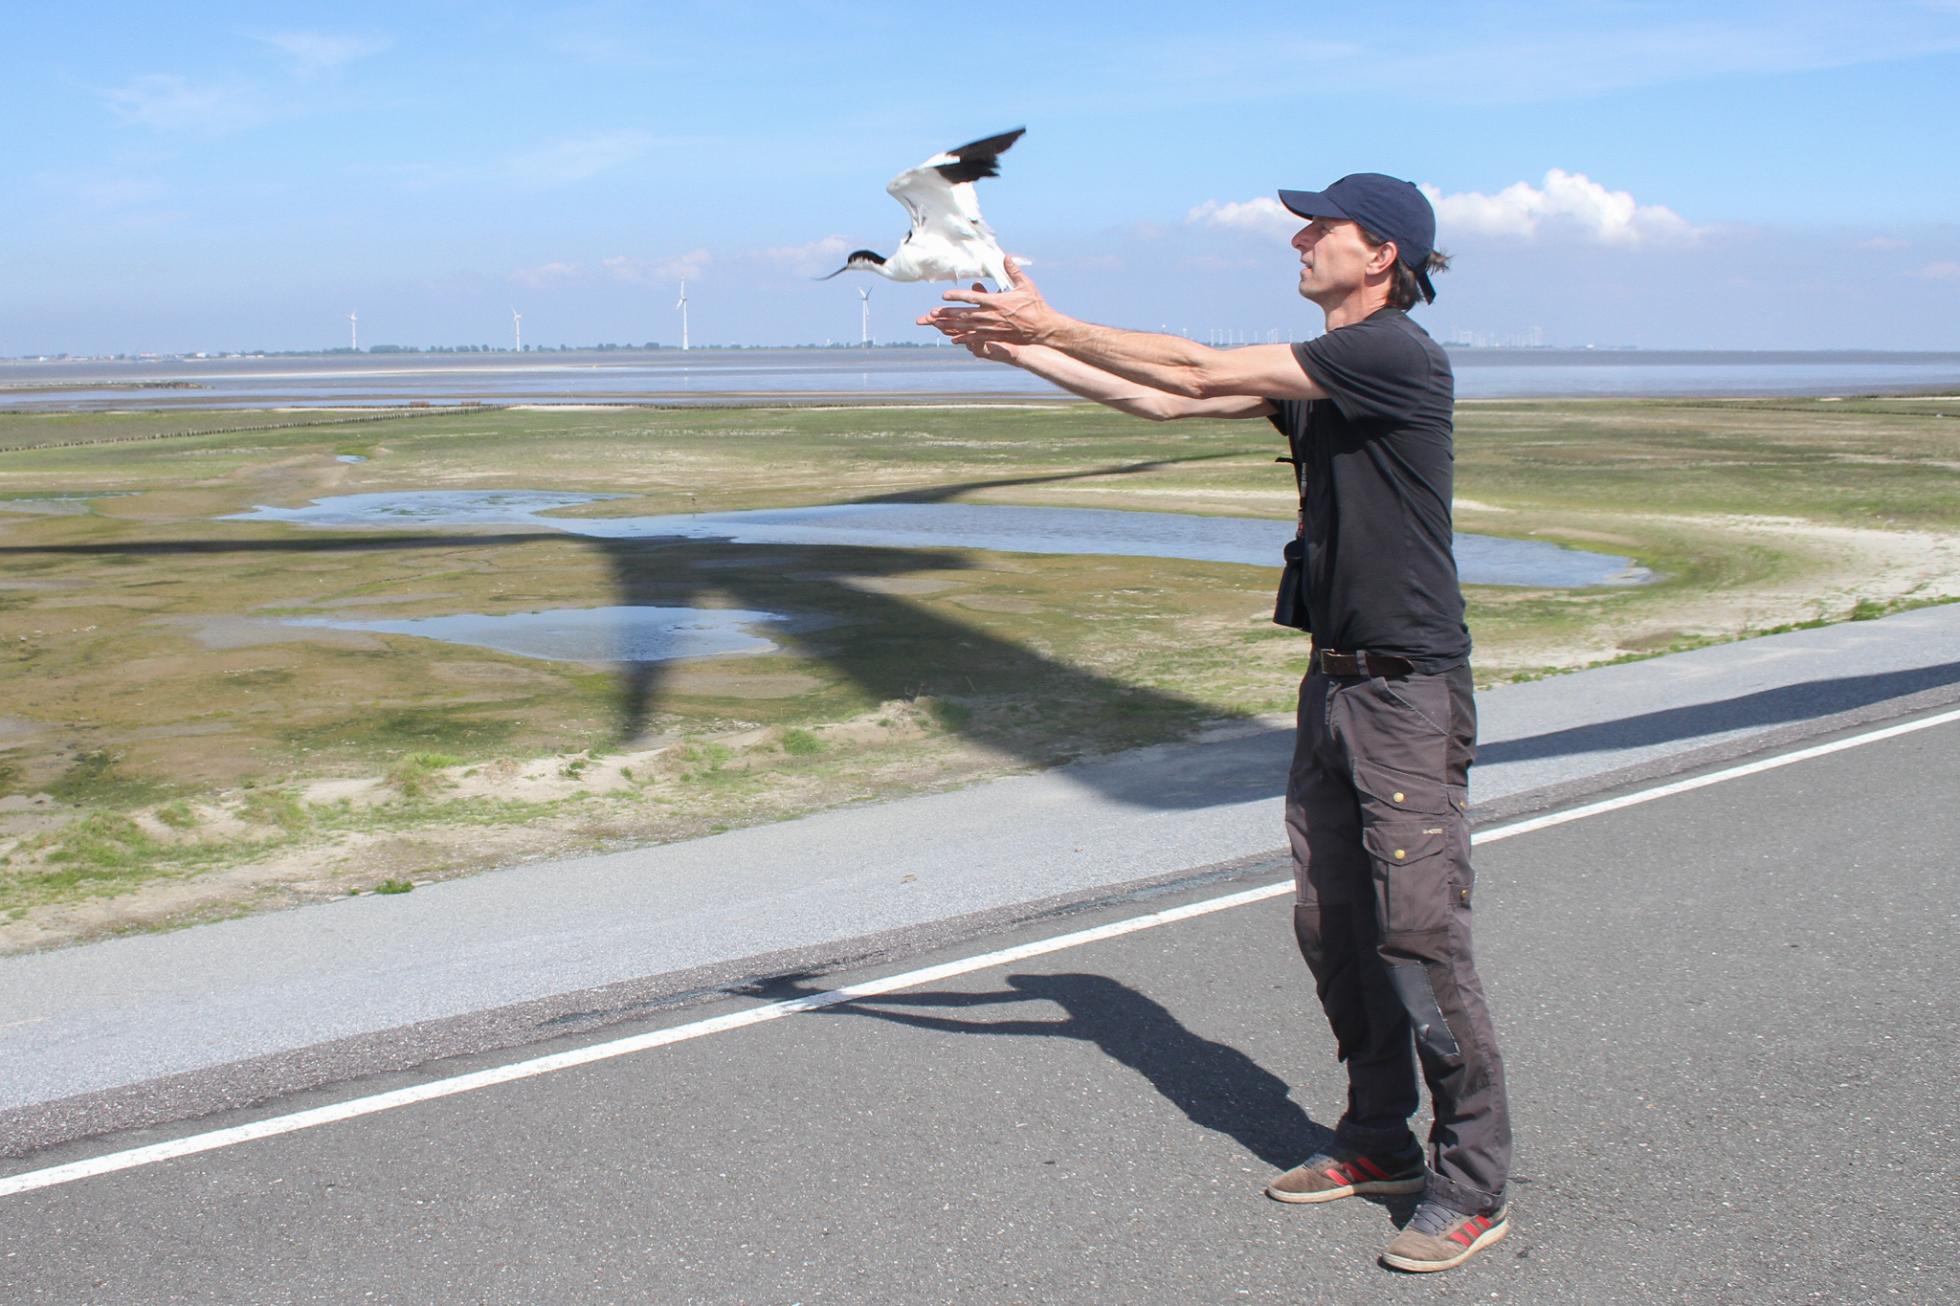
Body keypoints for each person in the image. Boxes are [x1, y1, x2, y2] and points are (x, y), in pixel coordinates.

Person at [917, 173, 1511, 1274]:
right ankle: (1376, 1139)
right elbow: (1163, 400)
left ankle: (1470, 1182)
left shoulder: (1388, 356)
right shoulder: (1323, 376)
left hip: (1407, 691)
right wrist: (1021, 353)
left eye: (1319, 226)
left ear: (1379, 253)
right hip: (1332, 682)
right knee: (1332, 924)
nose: (1299, 237)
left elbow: (1191, 363)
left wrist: (1051, 319)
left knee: (1419, 933)